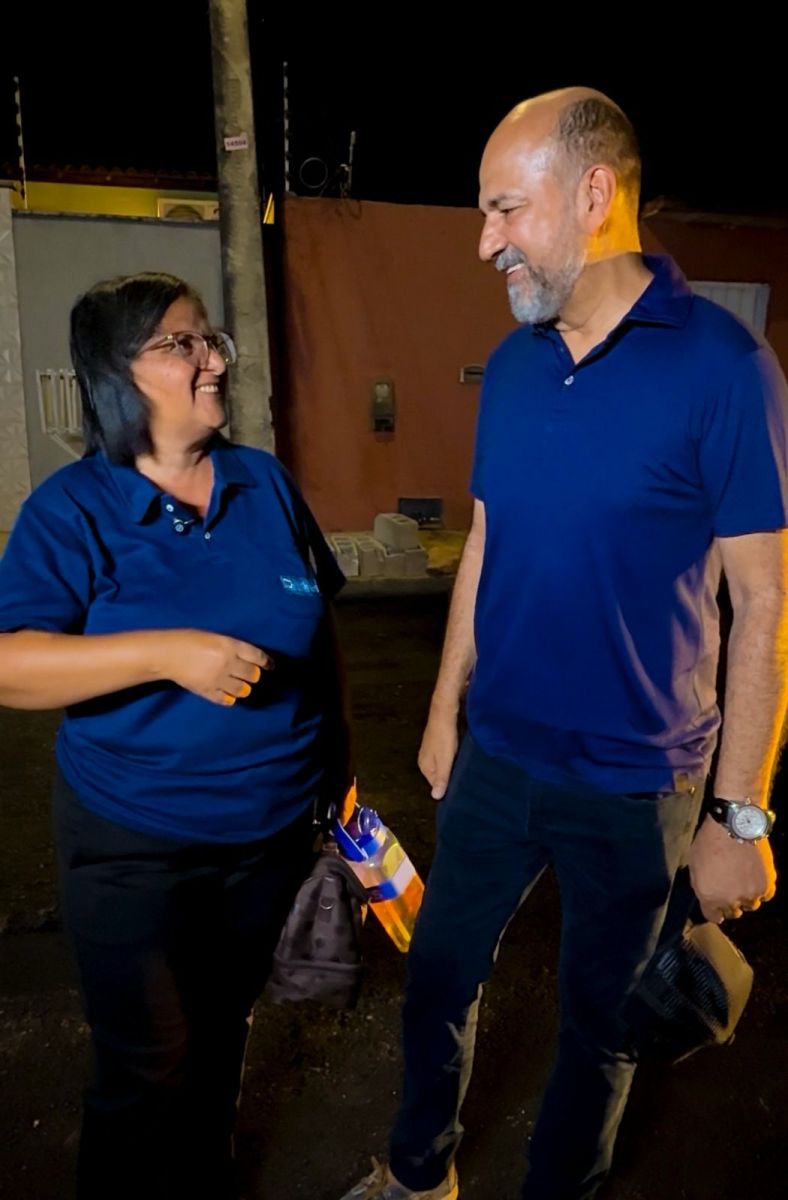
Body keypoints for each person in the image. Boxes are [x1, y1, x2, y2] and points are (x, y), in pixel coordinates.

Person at [341, 88, 788, 1200]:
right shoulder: (514, 364)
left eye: (504, 209)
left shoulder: (725, 369)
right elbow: (485, 545)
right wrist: (442, 712)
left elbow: (761, 600)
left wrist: (738, 815)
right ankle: (419, 1177)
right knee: (437, 975)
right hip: (497, 758)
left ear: (593, 195)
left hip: (637, 786)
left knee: (601, 1030)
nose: (484, 240)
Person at [0, 272, 348, 1200]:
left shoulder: (264, 482)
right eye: (181, 344)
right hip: (134, 845)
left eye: (210, 339)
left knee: (223, 1033)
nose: (213, 360)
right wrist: (166, 651)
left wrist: (337, 772)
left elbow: (322, 635)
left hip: (268, 838)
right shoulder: (73, 508)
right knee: (146, 1063)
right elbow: (9, 664)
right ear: (118, 371)